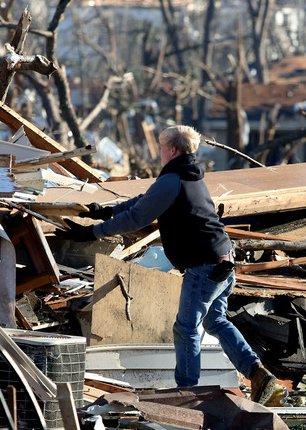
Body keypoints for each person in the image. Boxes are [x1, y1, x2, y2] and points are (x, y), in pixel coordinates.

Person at [58, 125, 278, 403]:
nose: (160, 152)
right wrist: (108, 210)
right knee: (216, 321)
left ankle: (186, 392)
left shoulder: (172, 180)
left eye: (162, 147)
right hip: (223, 259)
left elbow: (137, 218)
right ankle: (257, 372)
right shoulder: (188, 176)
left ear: (172, 150)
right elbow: (145, 201)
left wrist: (89, 233)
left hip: (205, 266)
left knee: (186, 328)